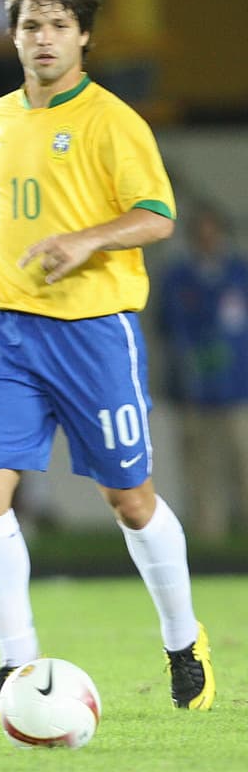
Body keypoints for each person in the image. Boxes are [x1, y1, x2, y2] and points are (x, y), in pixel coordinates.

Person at [0, 0, 215, 721]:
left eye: (58, 25)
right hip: (3, 326)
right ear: (11, 35)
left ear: (84, 37)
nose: (43, 38)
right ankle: (15, 668)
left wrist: (86, 241)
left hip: (91, 331)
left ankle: (184, 642)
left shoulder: (114, 121)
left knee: (130, 499)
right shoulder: (1, 116)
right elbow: (11, 196)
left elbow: (156, 214)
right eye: (30, 25)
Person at [157, 204, 248, 541]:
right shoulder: (178, 278)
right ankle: (209, 530)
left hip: (239, 387)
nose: (208, 239)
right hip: (193, 390)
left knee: (243, 459)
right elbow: (168, 327)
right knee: (199, 464)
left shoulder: (239, 274)